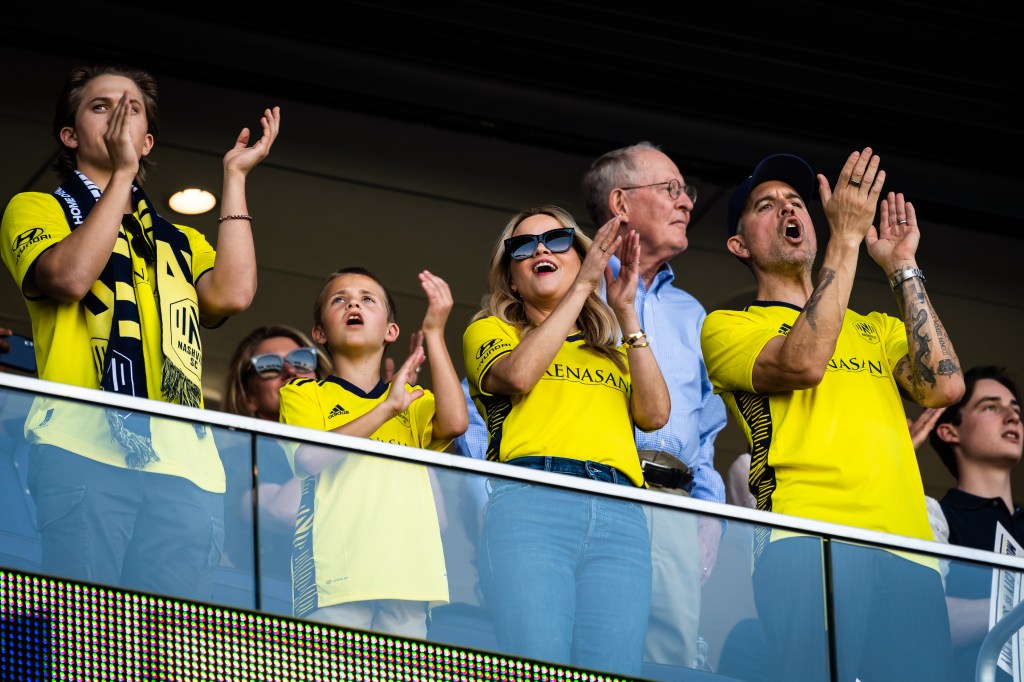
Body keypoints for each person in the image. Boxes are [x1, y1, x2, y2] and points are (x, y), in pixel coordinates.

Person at [0, 63, 279, 599]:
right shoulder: (39, 207)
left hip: (185, 466)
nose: (118, 117)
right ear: (69, 134)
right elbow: (70, 277)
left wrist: (236, 178)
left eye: (132, 110)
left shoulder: (177, 239)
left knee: (162, 649)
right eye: (101, 106)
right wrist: (123, 176)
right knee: (88, 640)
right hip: (81, 444)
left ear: (147, 140)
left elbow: (234, 293)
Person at [700, 148, 965, 682]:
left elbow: (945, 385)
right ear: (738, 243)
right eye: (767, 205)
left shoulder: (876, 327)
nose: (788, 210)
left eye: (797, 202)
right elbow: (803, 362)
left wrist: (902, 268)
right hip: (804, 544)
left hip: (908, 552)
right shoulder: (728, 326)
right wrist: (845, 242)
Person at [462, 204, 670, 676]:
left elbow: (655, 415)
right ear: (512, 278)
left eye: (556, 240)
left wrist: (626, 311)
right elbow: (518, 375)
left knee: (613, 670)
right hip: (531, 503)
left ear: (580, 256)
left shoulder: (611, 350)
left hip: (620, 511)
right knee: (540, 666)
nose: (539, 249)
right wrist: (582, 288)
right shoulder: (490, 329)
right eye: (523, 245)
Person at [582, 141, 728, 671]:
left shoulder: (693, 314)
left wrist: (708, 516)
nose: (686, 202)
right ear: (620, 204)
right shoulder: (570, 289)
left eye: (685, 191)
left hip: (674, 513)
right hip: (588, 498)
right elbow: (487, 406)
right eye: (671, 189)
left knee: (670, 664)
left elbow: (706, 430)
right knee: (586, 656)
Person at [279, 266, 466, 638]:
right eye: (339, 299)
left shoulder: (413, 401)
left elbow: (456, 423)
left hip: (410, 577)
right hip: (335, 576)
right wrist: (385, 408)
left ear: (390, 331)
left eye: (367, 299)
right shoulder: (303, 392)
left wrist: (434, 333)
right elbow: (309, 459)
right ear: (319, 333)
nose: (353, 303)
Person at [924, 366, 1023, 681]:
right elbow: (927, 620)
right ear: (950, 431)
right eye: (991, 407)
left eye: (1016, 410)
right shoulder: (933, 516)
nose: (1013, 417)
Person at [218, 325, 331, 580]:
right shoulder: (237, 459)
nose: (290, 371)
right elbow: (285, 513)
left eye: (302, 362)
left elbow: (439, 521)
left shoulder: (355, 446)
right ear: (249, 397)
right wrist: (359, 428)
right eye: (269, 366)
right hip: (270, 605)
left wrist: (394, 421)